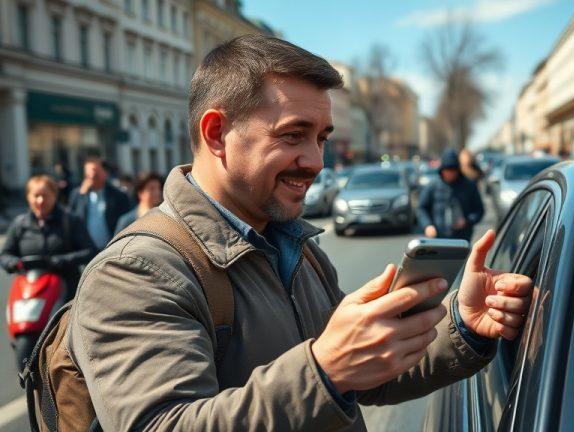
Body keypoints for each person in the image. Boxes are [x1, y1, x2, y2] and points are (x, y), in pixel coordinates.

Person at [67, 35, 531, 431]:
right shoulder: (136, 271)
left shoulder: (293, 245)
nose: (316, 161)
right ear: (216, 133)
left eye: (322, 137)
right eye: (293, 135)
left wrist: (464, 325)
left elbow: (368, 368)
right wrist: (324, 369)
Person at [1, 175, 96, 301]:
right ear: (28, 197)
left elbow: (90, 251)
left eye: (45, 196)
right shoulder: (20, 224)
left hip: (66, 294)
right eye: (36, 196)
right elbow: (5, 254)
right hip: (28, 292)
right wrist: (12, 263)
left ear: (55, 196)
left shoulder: (70, 221)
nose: (40, 201)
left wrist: (61, 261)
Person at [418, 148, 486, 242]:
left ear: (458, 170)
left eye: (453, 170)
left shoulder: (469, 186)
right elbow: (422, 208)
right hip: (437, 240)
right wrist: (427, 225)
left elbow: (479, 210)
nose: (450, 174)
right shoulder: (432, 186)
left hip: (462, 240)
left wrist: (467, 221)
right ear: (442, 170)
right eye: (447, 170)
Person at [68, 156, 132, 250]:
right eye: (87, 172)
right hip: (85, 252)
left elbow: (126, 223)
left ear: (105, 173)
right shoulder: (77, 195)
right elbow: (73, 219)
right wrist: (81, 196)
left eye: (94, 170)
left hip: (111, 249)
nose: (91, 175)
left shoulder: (118, 195)